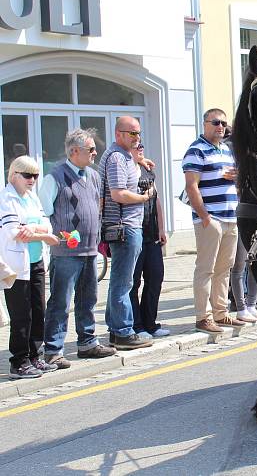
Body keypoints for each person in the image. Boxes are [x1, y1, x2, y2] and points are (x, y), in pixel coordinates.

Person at [39, 129, 117, 368]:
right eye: (90, 149)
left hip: (90, 249)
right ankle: (53, 350)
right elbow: (44, 212)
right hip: (66, 253)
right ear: (74, 151)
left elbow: (96, 206)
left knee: (88, 298)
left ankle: (87, 342)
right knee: (61, 302)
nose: (95, 153)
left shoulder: (93, 176)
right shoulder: (55, 177)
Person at [183, 108, 243, 334]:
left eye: (224, 124)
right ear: (205, 124)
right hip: (212, 219)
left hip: (230, 216)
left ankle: (221, 312)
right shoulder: (196, 150)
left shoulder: (226, 150)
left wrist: (235, 176)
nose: (221, 127)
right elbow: (191, 186)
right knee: (206, 269)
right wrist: (205, 217)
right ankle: (202, 317)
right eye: (216, 123)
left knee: (224, 269)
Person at [0, 157, 60, 379]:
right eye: (28, 175)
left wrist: (33, 229)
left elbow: (47, 223)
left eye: (36, 175)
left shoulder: (31, 197)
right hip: (17, 265)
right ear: (14, 175)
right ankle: (19, 362)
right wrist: (44, 235)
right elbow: (14, 232)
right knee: (21, 315)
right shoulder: (6, 198)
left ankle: (35, 356)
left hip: (36, 262)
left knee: (38, 311)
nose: (33, 180)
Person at [98, 117, 154, 350]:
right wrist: (143, 197)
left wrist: (139, 160)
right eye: (132, 134)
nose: (137, 138)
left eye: (139, 133)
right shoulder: (117, 158)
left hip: (128, 225)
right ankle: (122, 331)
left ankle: (117, 330)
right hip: (124, 226)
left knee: (122, 281)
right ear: (118, 134)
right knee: (123, 282)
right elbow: (119, 193)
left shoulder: (122, 156)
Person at [129, 143, 170, 338]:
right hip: (134, 234)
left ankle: (150, 322)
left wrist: (162, 228)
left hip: (152, 233)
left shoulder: (147, 169)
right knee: (133, 282)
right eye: (136, 146)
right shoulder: (124, 170)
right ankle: (136, 326)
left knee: (155, 278)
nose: (140, 149)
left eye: (142, 146)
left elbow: (157, 200)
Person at [229, 237, 257, 322]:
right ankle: (241, 309)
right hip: (242, 229)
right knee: (238, 269)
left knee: (255, 267)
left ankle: (251, 306)